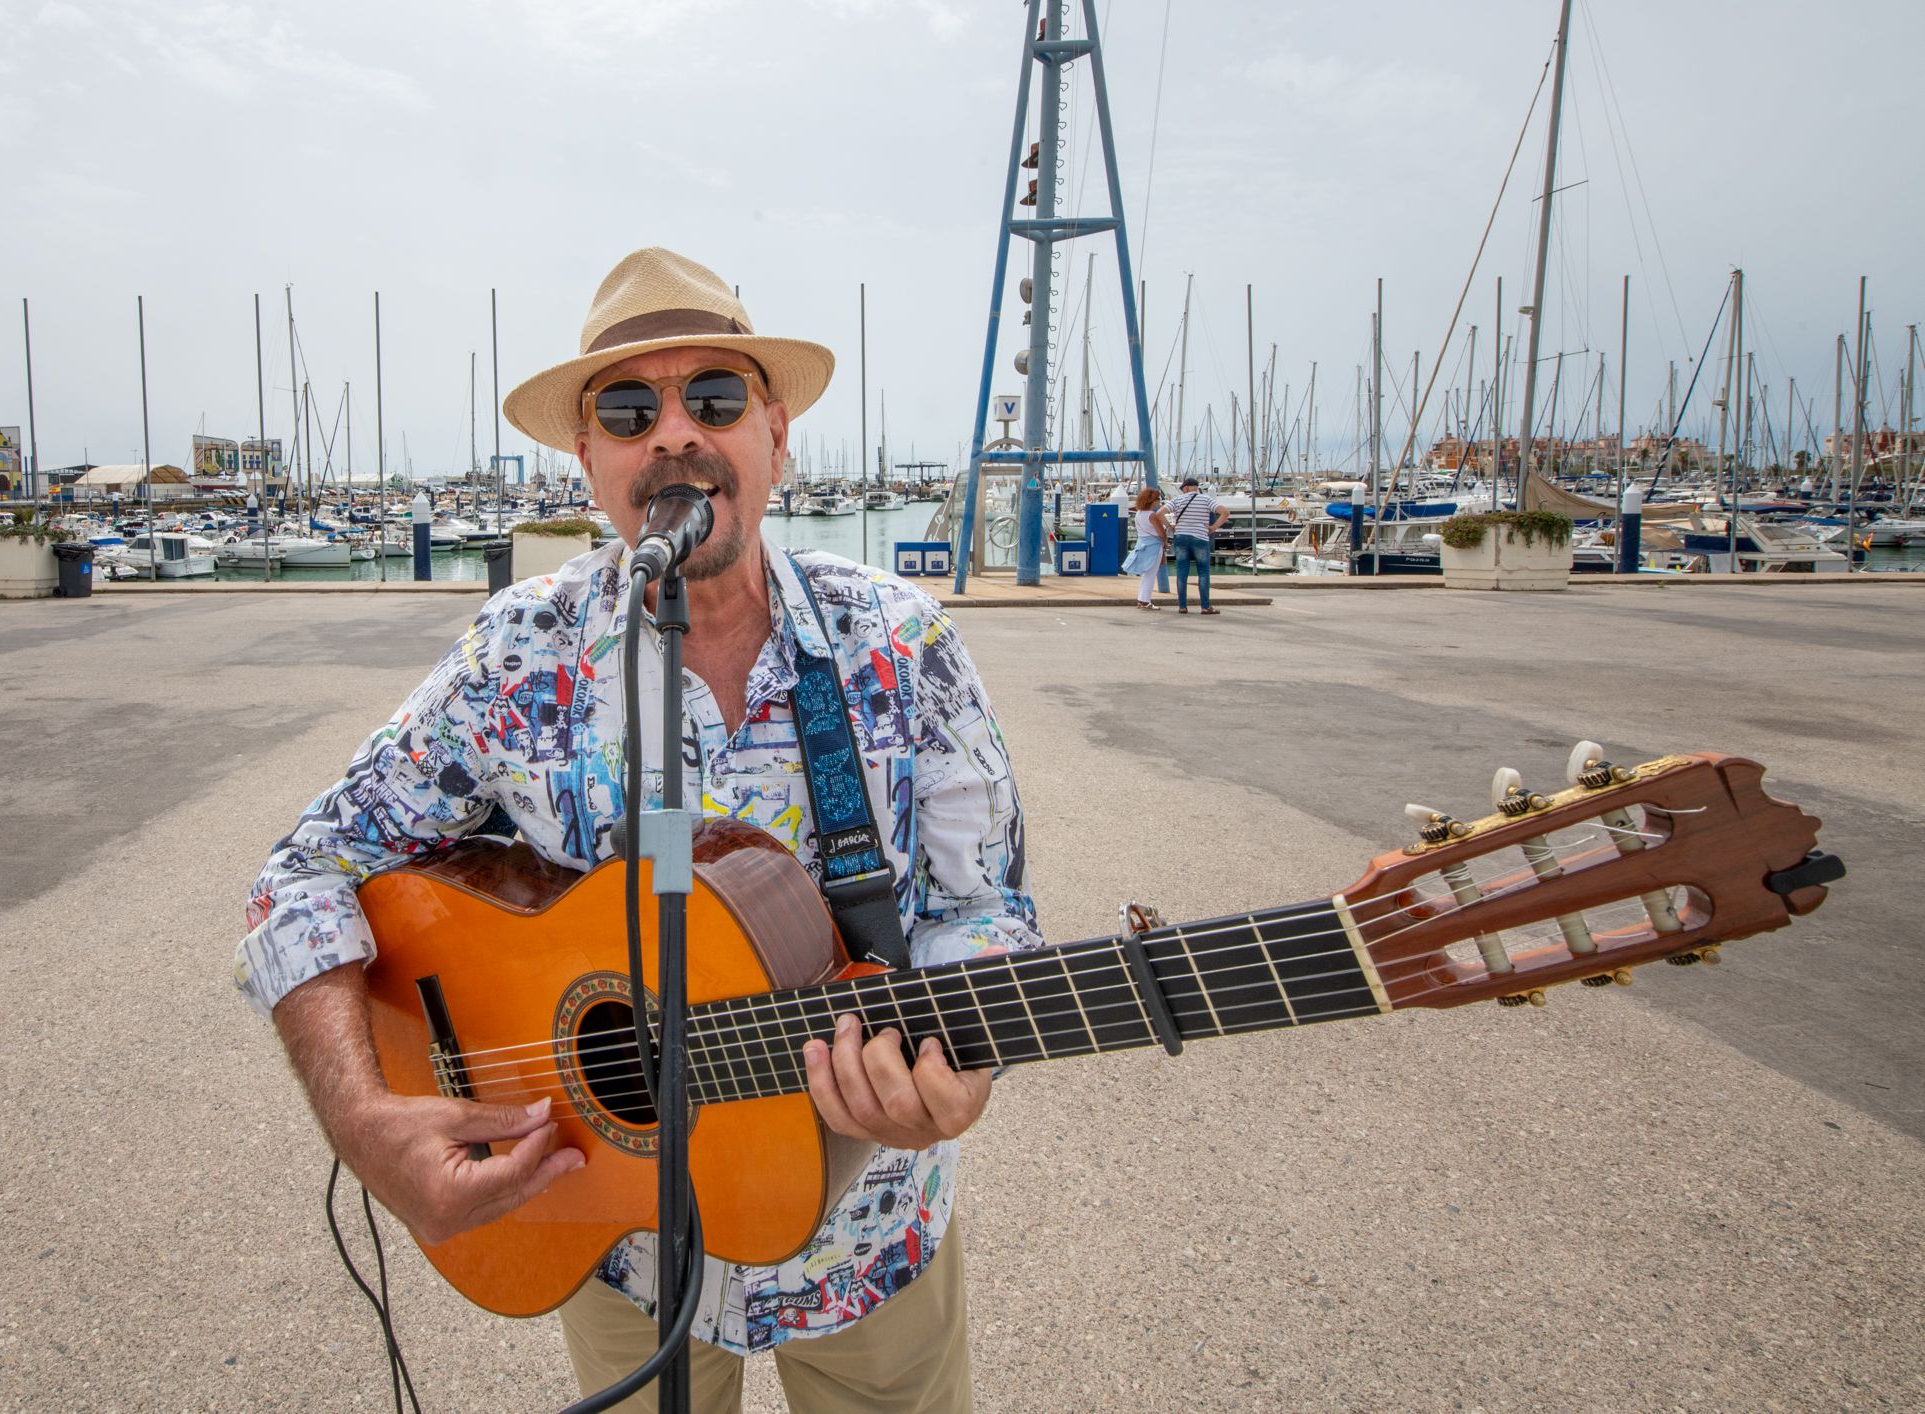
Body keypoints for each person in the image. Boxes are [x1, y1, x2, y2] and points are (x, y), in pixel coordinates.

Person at [234, 247, 1041, 1412]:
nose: (673, 432)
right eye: (629, 408)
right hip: (617, 1248)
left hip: (873, 1241)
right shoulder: (520, 656)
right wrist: (367, 1125)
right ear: (590, 458)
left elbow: (985, 908)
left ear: (774, 433)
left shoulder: (902, 647)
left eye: (712, 397)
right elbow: (302, 872)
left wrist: (965, 1061)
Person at [1165, 476, 1231, 615]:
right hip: (1200, 538)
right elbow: (1225, 512)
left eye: (1183, 489)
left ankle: (1182, 606)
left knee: (1182, 572)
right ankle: (1205, 607)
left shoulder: (1177, 500)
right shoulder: (1206, 499)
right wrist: (1213, 527)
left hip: (1181, 537)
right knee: (1203, 572)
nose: (1183, 491)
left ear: (1187, 487)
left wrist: (1170, 526)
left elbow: (1159, 514)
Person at [1123, 485, 1171, 609]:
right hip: (1154, 546)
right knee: (1151, 573)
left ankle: (1142, 599)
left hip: (1143, 544)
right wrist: (1165, 542)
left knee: (1146, 574)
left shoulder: (1138, 514)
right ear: (1152, 501)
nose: (1158, 502)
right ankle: (1145, 601)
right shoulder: (1152, 515)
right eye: (1157, 499)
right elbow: (1161, 532)